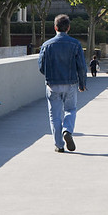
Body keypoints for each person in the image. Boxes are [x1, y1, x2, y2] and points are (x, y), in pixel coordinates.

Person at [38, 14, 87, 153]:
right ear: (68, 28)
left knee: (55, 116)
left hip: (52, 84)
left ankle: (59, 145)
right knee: (71, 109)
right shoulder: (75, 44)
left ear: (55, 27)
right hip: (70, 83)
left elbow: (41, 66)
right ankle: (67, 130)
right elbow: (81, 66)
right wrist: (82, 83)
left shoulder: (46, 45)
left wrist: (49, 76)